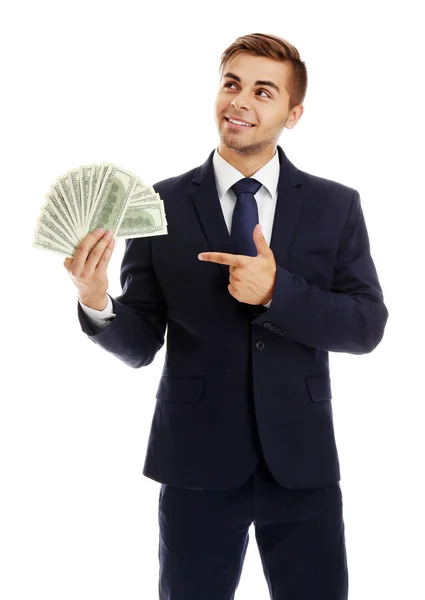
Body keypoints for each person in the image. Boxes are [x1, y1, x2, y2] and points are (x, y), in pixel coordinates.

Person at [64, 32, 389, 600]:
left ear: (294, 113)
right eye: (231, 84)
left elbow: (366, 325)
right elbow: (141, 342)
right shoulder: (157, 205)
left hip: (301, 462)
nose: (240, 101)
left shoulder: (336, 205)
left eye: (263, 91)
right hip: (195, 461)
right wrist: (97, 300)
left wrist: (276, 292)